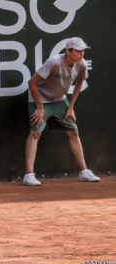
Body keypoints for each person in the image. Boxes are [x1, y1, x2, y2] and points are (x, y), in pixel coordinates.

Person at [23, 37, 100, 186]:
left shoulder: (82, 64)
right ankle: (28, 175)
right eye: (77, 51)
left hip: (59, 100)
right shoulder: (54, 62)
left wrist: (70, 107)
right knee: (35, 133)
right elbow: (32, 82)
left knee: (73, 132)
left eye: (83, 51)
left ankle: (83, 172)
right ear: (68, 51)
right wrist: (39, 107)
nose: (81, 54)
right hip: (40, 98)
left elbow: (79, 83)